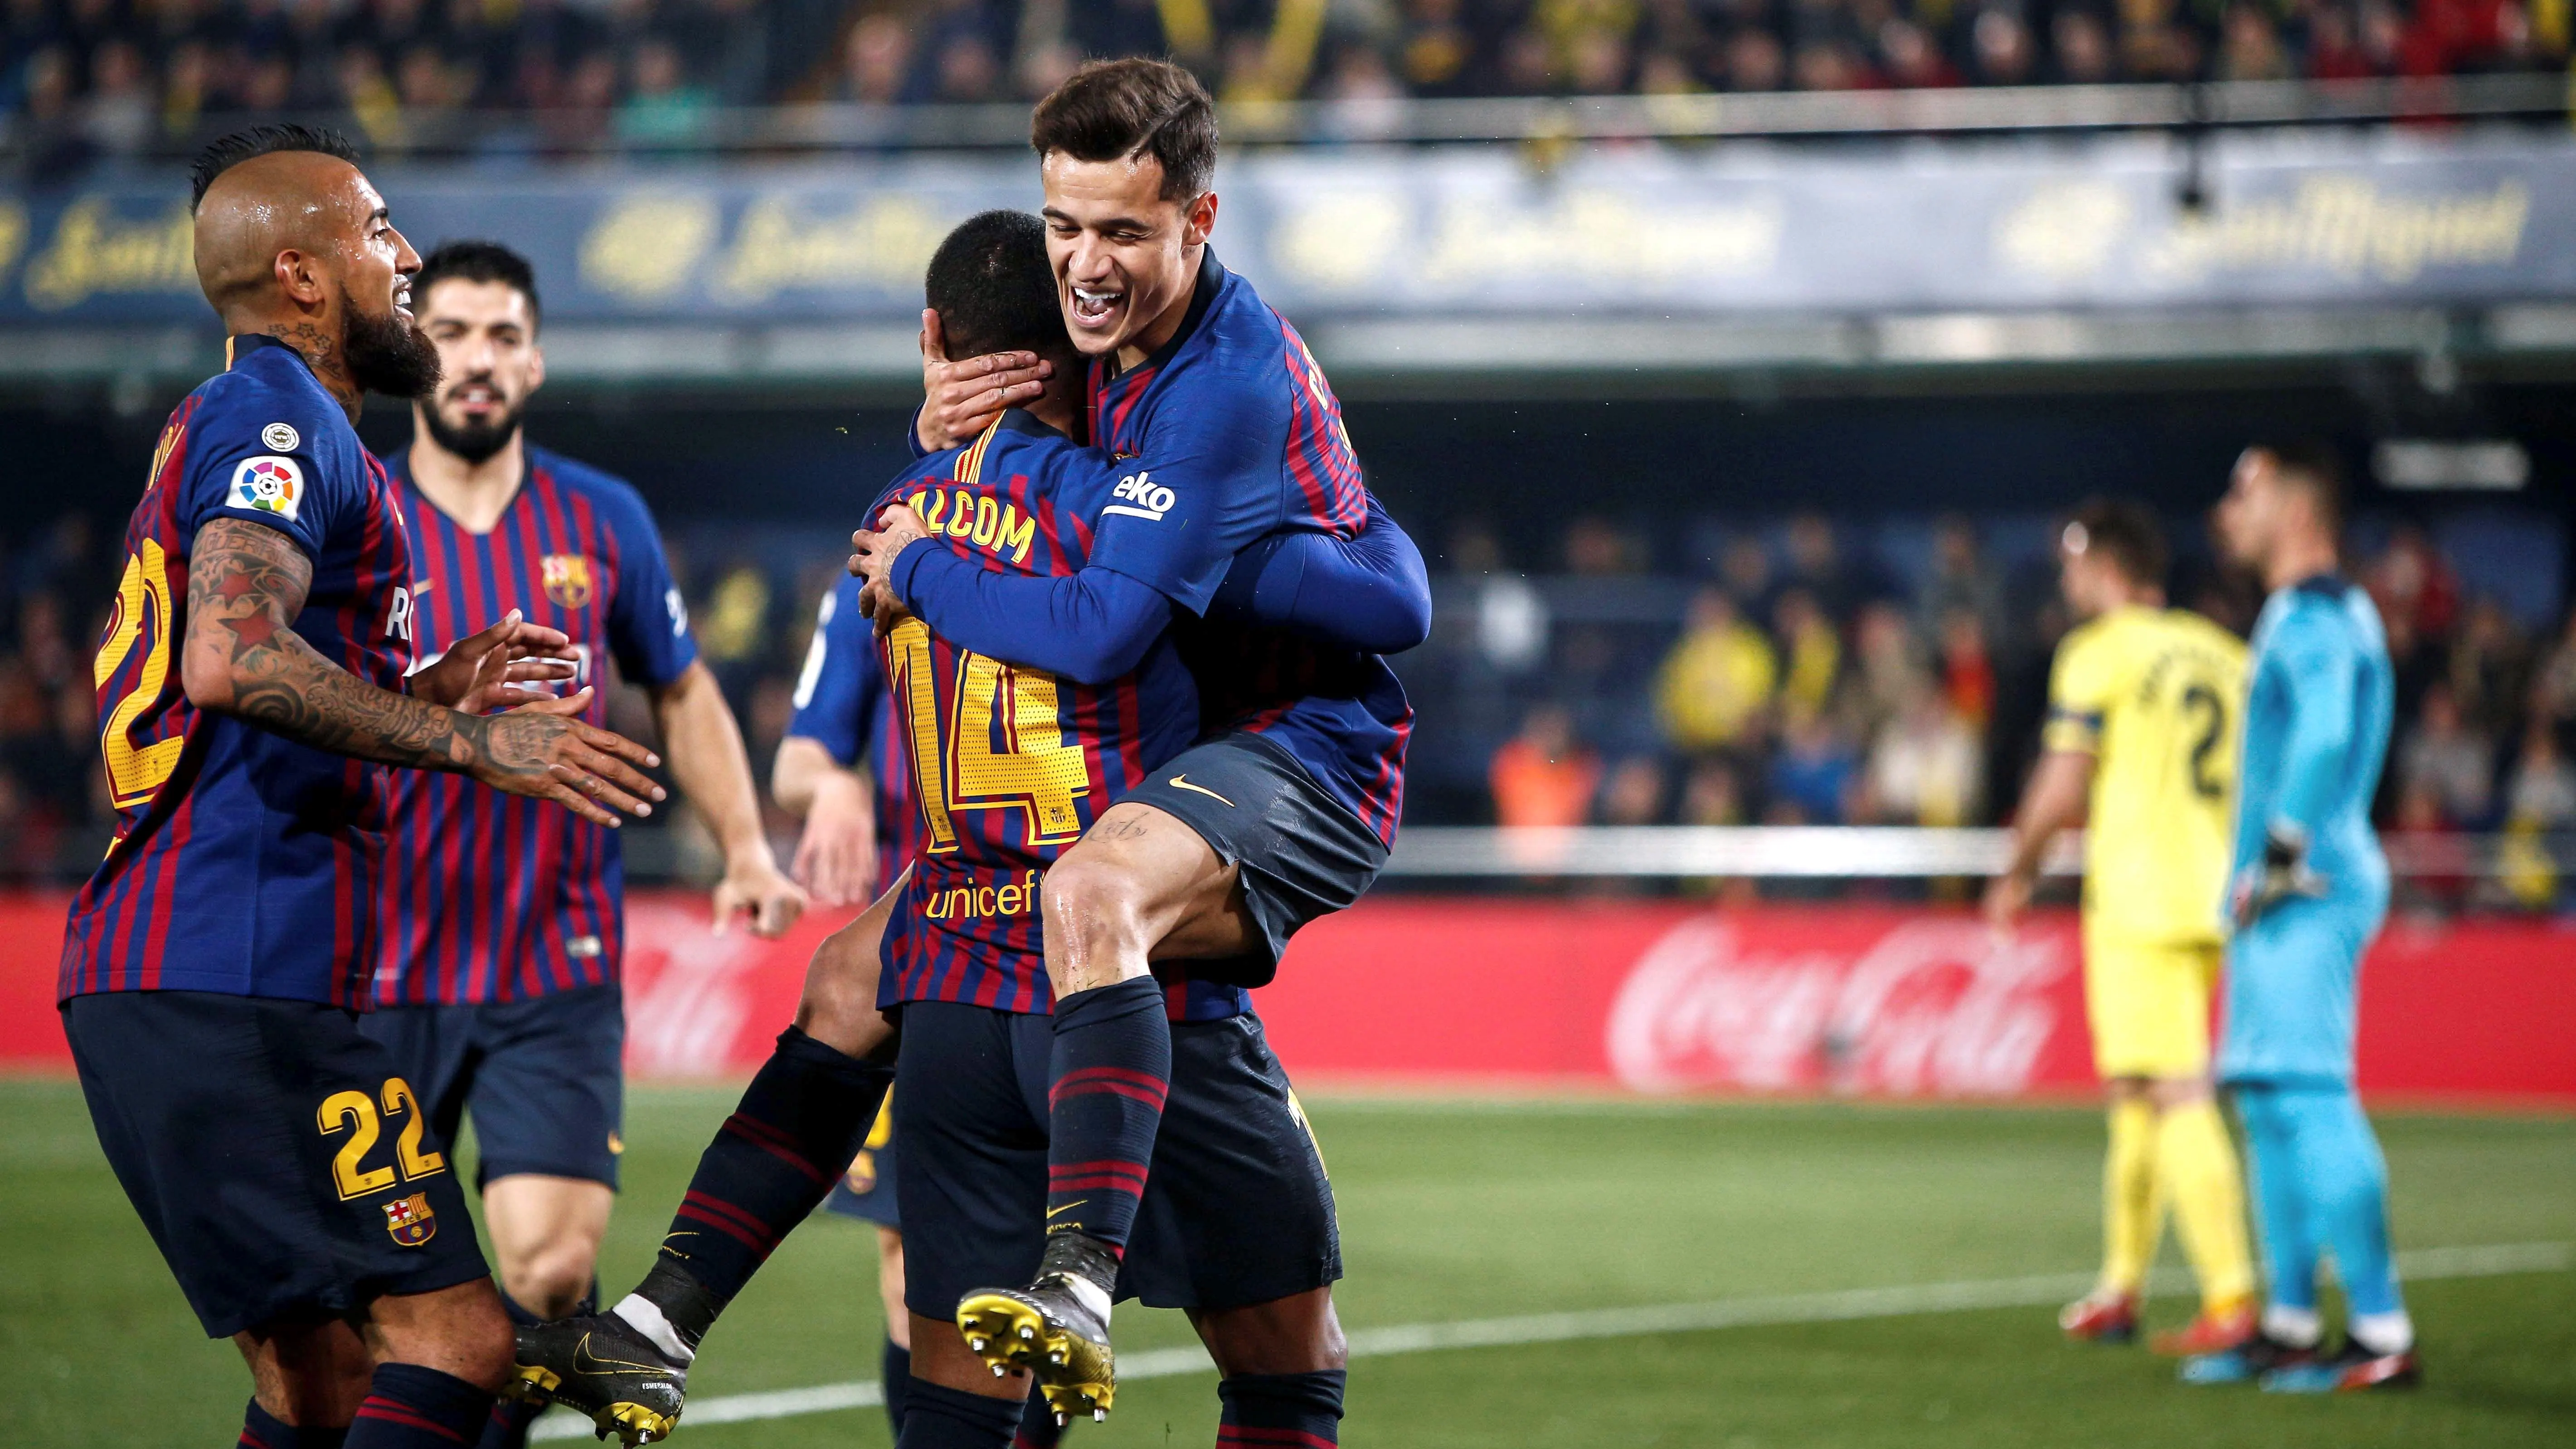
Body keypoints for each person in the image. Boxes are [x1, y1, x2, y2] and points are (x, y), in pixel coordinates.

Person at [510, 205, 1427, 1447]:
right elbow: (1361, 598)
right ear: (1088, 355)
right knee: (1286, 1366)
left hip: (950, 994)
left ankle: (664, 1311)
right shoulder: (1127, 510)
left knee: (954, 1404)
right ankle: (1074, 1277)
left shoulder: (895, 515)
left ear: (938, 339)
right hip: (1120, 1005)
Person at [57, 125, 663, 1449]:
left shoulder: (249, 423)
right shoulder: (276, 413)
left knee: (319, 1381)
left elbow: (233, 669)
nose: (408, 256)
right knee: (461, 1339)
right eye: (382, 232)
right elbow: (230, 655)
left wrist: (437, 684)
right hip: (235, 964)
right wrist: (468, 746)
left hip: (166, 971)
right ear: (304, 276)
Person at [877, 62, 1415, 1413]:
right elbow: (1386, 578)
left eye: (1124, 231)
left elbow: (1103, 629)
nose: (1087, 265)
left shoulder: (1220, 384)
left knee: (1090, 889)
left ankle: (1076, 1273)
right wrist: (967, 440)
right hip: (1191, 765)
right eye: (1065, 225)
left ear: (1200, 219)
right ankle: (668, 1302)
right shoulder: (1102, 347)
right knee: (873, 968)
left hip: (1307, 752)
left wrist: (929, 555)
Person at [360, 240, 807, 1449]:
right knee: (373, 1312)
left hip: (548, 966)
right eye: (450, 332)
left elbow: (682, 687)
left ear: (537, 359)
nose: (477, 359)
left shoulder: (600, 517)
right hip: (371, 968)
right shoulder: (357, 514)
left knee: (552, 1276)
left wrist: (747, 848)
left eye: (503, 335)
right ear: (416, 350)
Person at [773, 570, 1062, 1449]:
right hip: (928, 966)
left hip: (1068, 964)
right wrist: (834, 786)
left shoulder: (1089, 555)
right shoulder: (872, 580)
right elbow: (799, 756)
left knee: (1045, 1273)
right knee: (915, 1256)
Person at [1984, 500, 2259, 1356]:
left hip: (2140, 895)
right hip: (2215, 894)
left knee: (2172, 1090)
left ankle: (2231, 1300)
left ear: (2105, 567)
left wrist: (2017, 870)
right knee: (2136, 1091)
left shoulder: (2098, 652)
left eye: (2072, 564)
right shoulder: (2224, 653)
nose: (2065, 581)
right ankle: (2121, 1285)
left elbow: (2063, 786)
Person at [2184, 444, 2416, 1392]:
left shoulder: (2316, 612)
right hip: (2282, 891)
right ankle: (2287, 1318)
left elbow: (2322, 731)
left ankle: (2379, 1327)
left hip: (2306, 886)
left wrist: (2277, 856)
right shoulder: (2309, 610)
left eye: (2246, 490)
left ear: (2297, 505)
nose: (2228, 509)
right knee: (2271, 1097)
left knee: (2312, 1094)